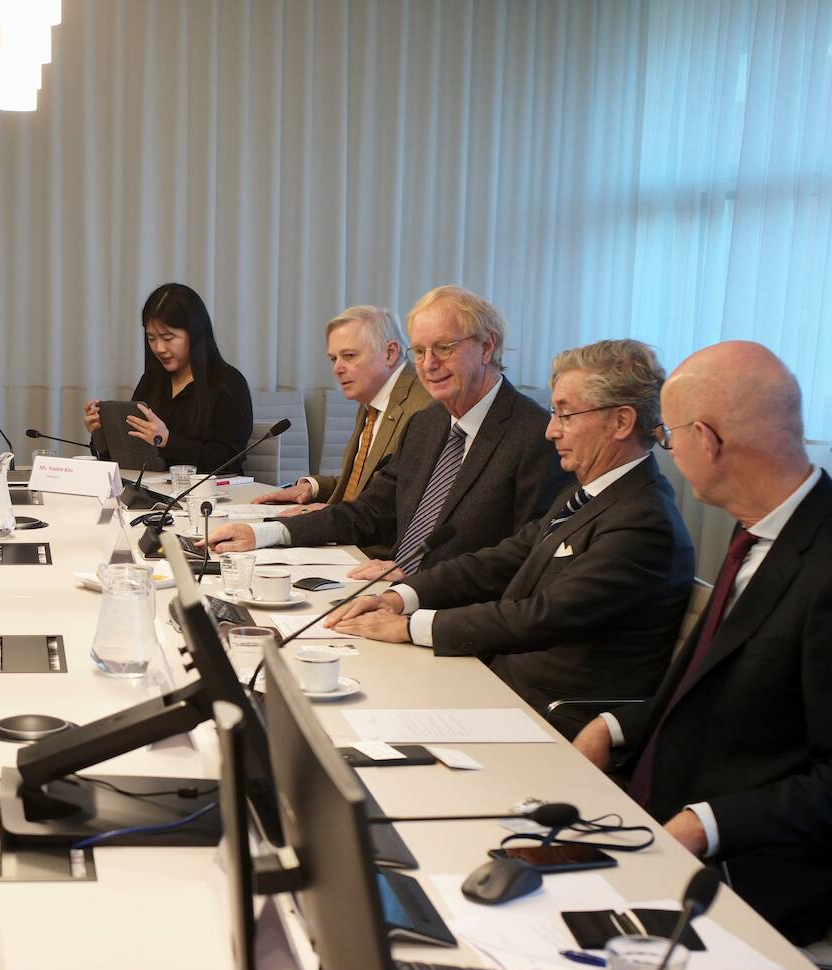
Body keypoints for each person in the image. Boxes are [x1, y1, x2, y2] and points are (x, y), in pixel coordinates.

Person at [572, 341, 832, 944]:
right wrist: (613, 726)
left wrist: (705, 824)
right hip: (666, 812)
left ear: (707, 439)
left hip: (755, 860)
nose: (669, 451)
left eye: (669, 435)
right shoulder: (760, 534)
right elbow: (713, 685)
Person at [327, 340, 694, 738]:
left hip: (549, 718)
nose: (551, 430)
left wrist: (409, 627)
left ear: (621, 422)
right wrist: (400, 597)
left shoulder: (644, 521)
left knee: (362, 726)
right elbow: (503, 559)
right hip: (500, 683)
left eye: (566, 414)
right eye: (554, 413)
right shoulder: (587, 493)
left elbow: (541, 616)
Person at [204, 285, 561, 579]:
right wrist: (266, 533)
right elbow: (369, 512)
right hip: (383, 588)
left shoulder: (536, 435)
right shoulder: (427, 424)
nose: (428, 364)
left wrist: (414, 584)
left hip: (450, 614)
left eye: (444, 348)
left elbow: (524, 557)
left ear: (487, 347)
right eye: (419, 351)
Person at [252, 305, 433, 554]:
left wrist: (329, 516)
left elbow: (403, 506)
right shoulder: (373, 398)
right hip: (351, 533)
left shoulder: (425, 408)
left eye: (349, 356)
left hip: (378, 553)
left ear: (390, 353)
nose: (337, 369)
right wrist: (313, 487)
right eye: (333, 358)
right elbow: (373, 480)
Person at [82, 283, 254, 474]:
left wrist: (167, 440)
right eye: (151, 338)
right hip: (154, 489)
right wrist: (101, 434)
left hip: (210, 490)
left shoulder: (228, 384)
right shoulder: (151, 382)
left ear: (194, 334)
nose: (159, 348)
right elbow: (128, 460)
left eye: (168, 338)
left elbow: (229, 460)